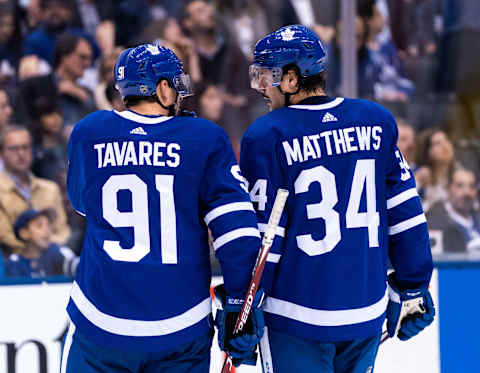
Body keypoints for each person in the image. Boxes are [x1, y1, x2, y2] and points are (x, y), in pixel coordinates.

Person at [241, 25, 435, 373]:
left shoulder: (267, 135)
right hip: (365, 314)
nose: (260, 88)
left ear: (290, 79)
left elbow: (266, 237)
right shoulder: (376, 121)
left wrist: (244, 305)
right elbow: (405, 212)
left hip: (295, 318)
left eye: (266, 76)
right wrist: (414, 285)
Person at [61, 44, 264, 373]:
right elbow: (237, 233)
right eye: (176, 84)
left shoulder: (90, 131)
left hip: (101, 323)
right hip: (180, 328)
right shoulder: (204, 137)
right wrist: (239, 302)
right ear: (163, 87)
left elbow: (81, 204)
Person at [0, 125, 71, 254]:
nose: (21, 153)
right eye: (14, 149)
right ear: (2, 153)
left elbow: (63, 231)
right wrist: (36, 249)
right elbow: (5, 236)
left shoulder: (50, 188)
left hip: (53, 263)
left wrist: (46, 247)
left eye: (25, 147)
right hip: (13, 266)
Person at [4, 208, 78, 277]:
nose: (47, 230)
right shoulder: (14, 263)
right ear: (24, 233)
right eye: (39, 226)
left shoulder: (60, 253)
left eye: (48, 225)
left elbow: (81, 269)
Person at [427, 167, 480, 253]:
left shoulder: (477, 217)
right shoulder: (434, 222)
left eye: (472, 186)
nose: (467, 192)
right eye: (460, 186)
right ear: (448, 190)